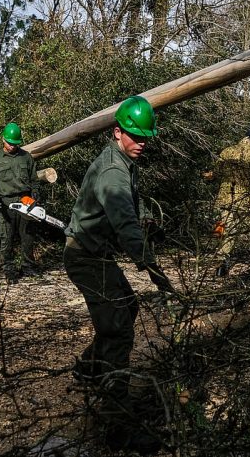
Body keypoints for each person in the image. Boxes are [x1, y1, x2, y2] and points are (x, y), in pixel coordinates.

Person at [63, 95, 174, 455]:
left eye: (145, 137)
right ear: (117, 131)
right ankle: (116, 422)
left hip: (96, 255)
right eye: (134, 136)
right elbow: (124, 222)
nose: (141, 143)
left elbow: (131, 209)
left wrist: (145, 226)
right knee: (118, 330)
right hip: (85, 257)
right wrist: (153, 268)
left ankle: (89, 368)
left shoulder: (124, 160)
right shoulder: (113, 170)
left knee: (127, 306)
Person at [0, 122, 39, 283]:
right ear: (3, 139)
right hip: (6, 203)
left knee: (28, 236)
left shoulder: (26, 157)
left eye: (15, 144)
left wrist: (35, 194)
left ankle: (28, 267)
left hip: (25, 201)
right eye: (10, 143)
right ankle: (8, 269)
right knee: (6, 238)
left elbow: (34, 180)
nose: (13, 146)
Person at [212, 128, 250, 277]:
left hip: (225, 198)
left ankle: (220, 266)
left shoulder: (227, 151)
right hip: (245, 199)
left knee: (226, 231)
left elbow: (217, 172)